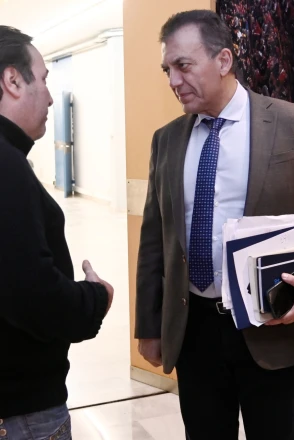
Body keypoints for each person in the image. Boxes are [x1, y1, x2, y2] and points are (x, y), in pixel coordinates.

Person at [136, 10, 294, 440]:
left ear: (223, 60)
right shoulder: (166, 139)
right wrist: (149, 326)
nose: (173, 81)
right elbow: (154, 239)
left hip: (270, 324)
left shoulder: (290, 123)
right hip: (194, 330)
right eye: (167, 70)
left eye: (183, 65)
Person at [0, 26, 114, 440]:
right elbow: (33, 295)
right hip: (22, 411)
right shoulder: (7, 166)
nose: (50, 97)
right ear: (13, 81)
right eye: (44, 79)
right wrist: (96, 298)